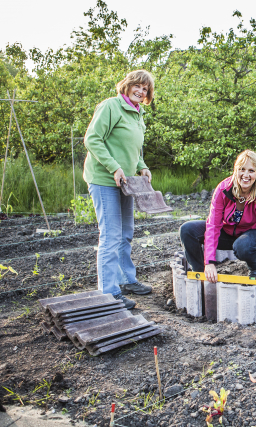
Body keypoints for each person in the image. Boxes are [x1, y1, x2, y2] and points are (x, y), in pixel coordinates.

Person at [83, 70, 155, 310]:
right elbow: (92, 139)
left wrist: (142, 166)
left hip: (126, 182)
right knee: (111, 235)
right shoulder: (111, 106)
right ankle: (109, 292)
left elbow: (133, 148)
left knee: (125, 233)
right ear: (127, 85)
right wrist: (114, 167)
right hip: (104, 179)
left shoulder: (137, 113)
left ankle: (126, 280)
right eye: (137, 86)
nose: (141, 91)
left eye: (145, 89)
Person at [179, 150, 256, 288]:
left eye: (251, 171)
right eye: (242, 169)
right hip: (227, 233)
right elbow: (213, 225)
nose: (246, 175)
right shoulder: (223, 190)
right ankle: (201, 273)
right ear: (236, 170)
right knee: (187, 230)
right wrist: (209, 263)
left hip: (253, 235)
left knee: (242, 246)